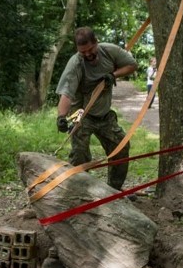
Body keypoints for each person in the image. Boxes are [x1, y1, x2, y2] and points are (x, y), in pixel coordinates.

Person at [55, 26, 138, 190]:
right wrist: (61, 117)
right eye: (82, 51)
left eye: (90, 49)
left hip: (104, 115)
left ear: (96, 43)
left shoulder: (110, 51)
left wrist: (113, 75)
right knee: (80, 157)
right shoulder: (76, 64)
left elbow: (132, 65)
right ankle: (78, 193)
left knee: (121, 147)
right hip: (81, 115)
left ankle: (114, 190)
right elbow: (66, 94)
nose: (87, 54)